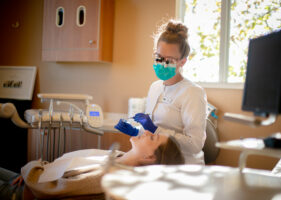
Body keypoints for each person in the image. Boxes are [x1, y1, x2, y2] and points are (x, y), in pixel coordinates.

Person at [114, 19, 208, 164]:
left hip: (183, 166)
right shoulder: (155, 87)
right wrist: (136, 131)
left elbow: (195, 145)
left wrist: (155, 129)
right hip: (156, 163)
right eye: (159, 58)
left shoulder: (193, 93)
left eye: (169, 60)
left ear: (183, 61)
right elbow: (153, 138)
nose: (162, 64)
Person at [0, 131, 184, 200]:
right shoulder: (117, 157)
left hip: (23, 189)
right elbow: (66, 167)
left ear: (150, 157)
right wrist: (39, 169)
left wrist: (30, 170)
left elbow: (52, 189)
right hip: (30, 177)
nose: (146, 132)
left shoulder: (110, 177)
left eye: (152, 137)